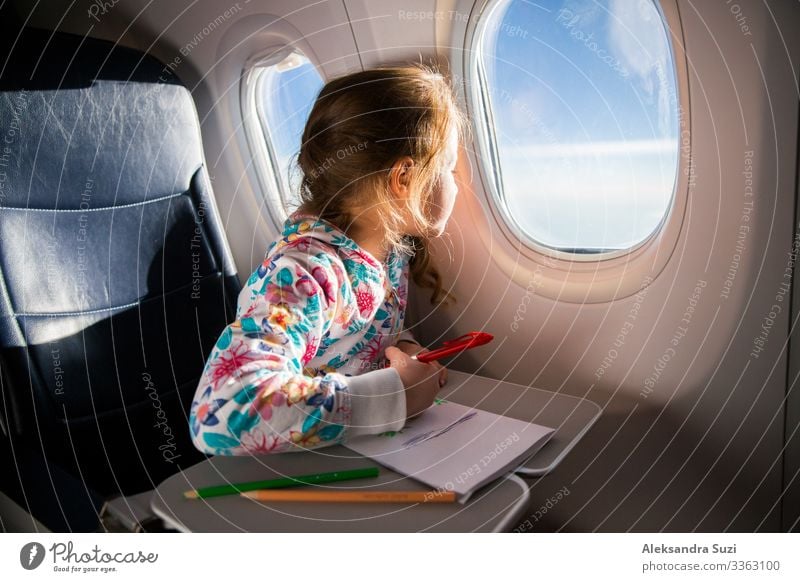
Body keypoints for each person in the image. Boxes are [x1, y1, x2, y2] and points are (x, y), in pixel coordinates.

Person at [189, 64, 466, 455]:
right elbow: (223, 411)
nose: (457, 182)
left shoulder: (385, 254)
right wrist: (395, 396)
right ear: (404, 177)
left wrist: (401, 348)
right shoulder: (305, 274)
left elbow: (354, 341)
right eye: (450, 167)